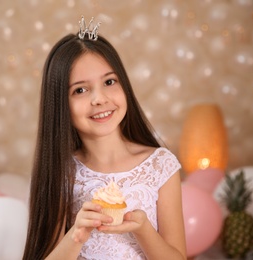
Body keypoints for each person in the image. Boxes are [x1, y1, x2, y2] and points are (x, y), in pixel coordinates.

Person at [23, 16, 186, 260]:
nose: (99, 99)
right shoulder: (61, 172)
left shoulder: (160, 165)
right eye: (80, 90)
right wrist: (76, 234)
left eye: (109, 82)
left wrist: (143, 228)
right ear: (59, 104)